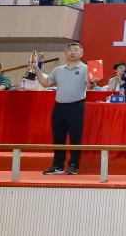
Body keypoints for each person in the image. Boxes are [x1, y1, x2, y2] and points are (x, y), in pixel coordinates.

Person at [34, 42, 95, 175]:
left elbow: (90, 87)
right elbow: (46, 83)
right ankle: (57, 165)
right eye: (69, 50)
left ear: (81, 53)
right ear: (65, 53)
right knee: (58, 137)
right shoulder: (58, 70)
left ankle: (73, 165)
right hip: (59, 107)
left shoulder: (86, 68)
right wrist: (37, 70)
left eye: (76, 49)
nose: (72, 52)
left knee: (75, 137)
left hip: (76, 106)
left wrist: (93, 80)